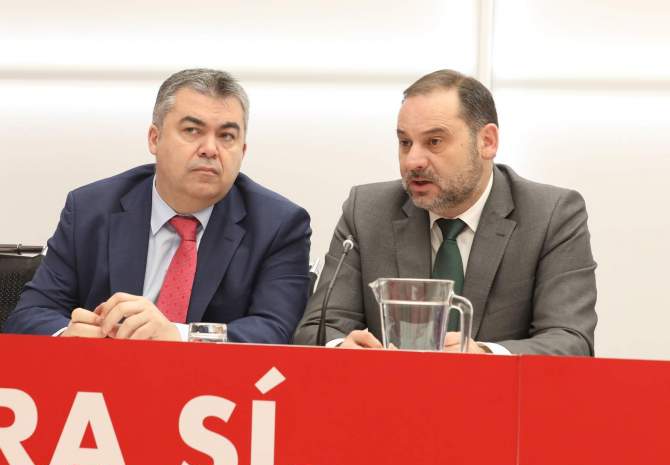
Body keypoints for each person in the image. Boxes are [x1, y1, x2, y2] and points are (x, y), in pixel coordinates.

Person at [293, 69, 597, 355]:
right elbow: (317, 328)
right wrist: (341, 348)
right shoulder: (367, 211)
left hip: (493, 394)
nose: (412, 161)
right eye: (405, 142)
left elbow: (570, 340)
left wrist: (487, 356)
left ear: (487, 142)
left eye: (434, 141)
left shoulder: (551, 215)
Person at [5, 68, 311, 343]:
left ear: (242, 150)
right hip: (102, 380)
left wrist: (179, 334)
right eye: (192, 130)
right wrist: (67, 334)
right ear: (154, 138)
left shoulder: (279, 225)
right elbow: (30, 315)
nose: (210, 149)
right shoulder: (90, 209)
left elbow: (274, 330)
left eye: (226, 136)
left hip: (216, 384)